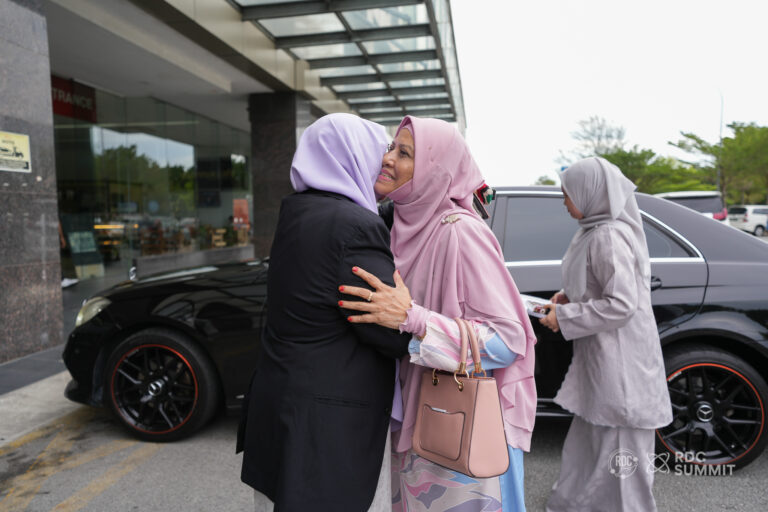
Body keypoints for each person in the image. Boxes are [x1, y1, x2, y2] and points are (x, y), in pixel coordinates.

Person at [339, 115, 537, 512]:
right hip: (420, 423)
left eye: (405, 153)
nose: (388, 158)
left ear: (435, 168)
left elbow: (508, 341)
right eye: (391, 147)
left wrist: (413, 319)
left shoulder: (460, 232)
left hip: (462, 430)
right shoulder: (395, 229)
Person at [237, 113, 411, 512]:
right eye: (380, 150)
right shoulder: (355, 226)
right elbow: (390, 330)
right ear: (352, 155)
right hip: (323, 430)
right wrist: (410, 312)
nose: (386, 160)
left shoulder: (298, 209)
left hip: (282, 407)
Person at [538, 157, 672, 512]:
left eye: (567, 194)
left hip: (621, 362)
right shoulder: (594, 230)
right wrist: (570, 297)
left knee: (620, 448)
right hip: (606, 355)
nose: (564, 202)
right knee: (596, 440)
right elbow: (600, 285)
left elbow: (622, 304)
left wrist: (564, 316)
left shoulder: (608, 236)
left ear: (591, 193)